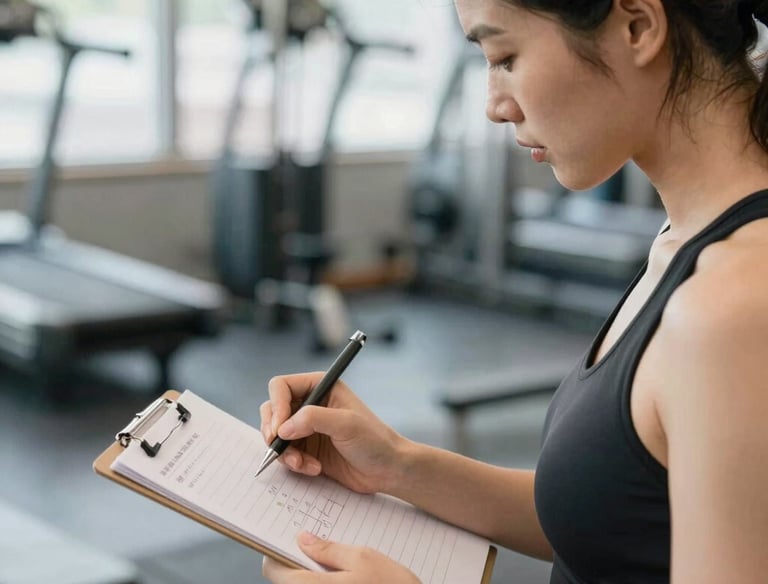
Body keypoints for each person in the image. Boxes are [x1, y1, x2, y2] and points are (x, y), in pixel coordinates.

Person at [260, 0, 768, 582]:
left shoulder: (736, 305)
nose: (494, 107)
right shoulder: (687, 239)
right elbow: (614, 523)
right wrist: (398, 466)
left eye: (504, 57)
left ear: (637, 27)